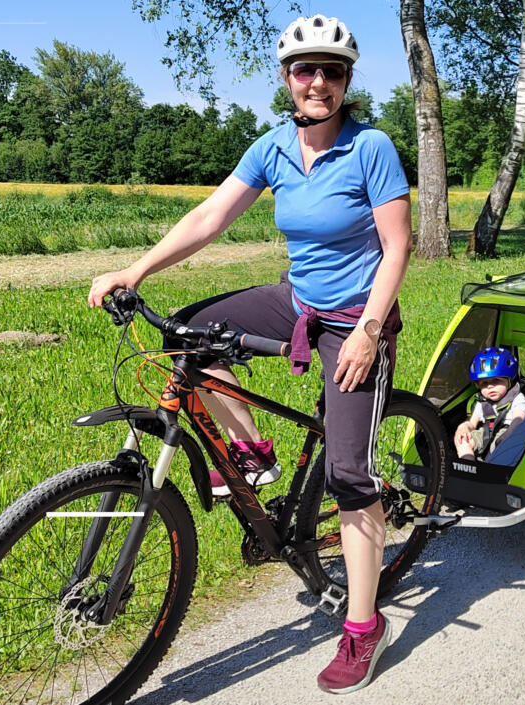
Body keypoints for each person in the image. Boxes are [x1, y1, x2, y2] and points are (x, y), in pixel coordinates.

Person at [87, 14, 410, 695]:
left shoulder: (371, 147)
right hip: (296, 301)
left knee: (350, 472)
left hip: (356, 316)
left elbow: (398, 245)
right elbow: (210, 216)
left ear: (347, 81)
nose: (316, 81)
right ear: (287, 78)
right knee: (184, 334)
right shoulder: (272, 146)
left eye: (331, 70)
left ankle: (362, 627)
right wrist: (134, 270)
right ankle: (253, 454)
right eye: (304, 69)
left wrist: (370, 329)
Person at [453, 347, 525, 462]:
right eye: (484, 383)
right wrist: (463, 428)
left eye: (496, 380)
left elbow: (518, 420)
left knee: (500, 450)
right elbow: (471, 422)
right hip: (486, 432)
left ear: (509, 381)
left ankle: (487, 466)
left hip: (508, 434)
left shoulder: (518, 400)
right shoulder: (482, 403)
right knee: (464, 440)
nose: (490, 386)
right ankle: (467, 465)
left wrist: (508, 434)